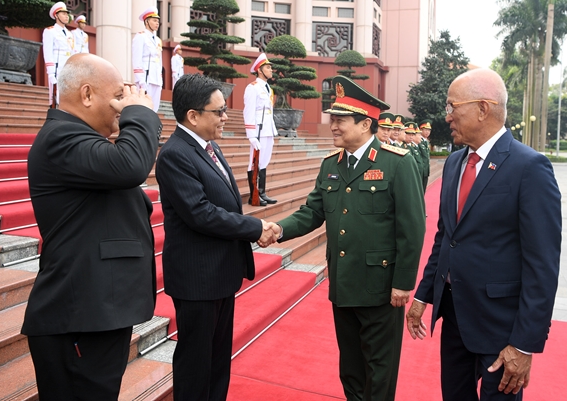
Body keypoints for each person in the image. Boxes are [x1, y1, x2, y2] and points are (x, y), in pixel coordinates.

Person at [406, 68, 561, 401]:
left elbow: (542, 265)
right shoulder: (454, 163)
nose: (447, 116)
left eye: (453, 106)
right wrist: (423, 295)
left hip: (501, 329)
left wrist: (524, 344)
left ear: (482, 108)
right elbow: (446, 237)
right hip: (455, 318)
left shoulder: (529, 167)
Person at [272, 75, 426, 401]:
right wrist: (278, 229)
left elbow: (411, 228)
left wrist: (403, 283)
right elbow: (312, 212)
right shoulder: (331, 164)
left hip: (381, 289)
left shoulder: (397, 163)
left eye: (340, 120)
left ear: (365, 124)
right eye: (332, 119)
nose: (333, 126)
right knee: (351, 370)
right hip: (343, 285)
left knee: (380, 373)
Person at [21, 53, 161, 401]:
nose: (122, 105)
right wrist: (140, 113)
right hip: (78, 315)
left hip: (96, 311)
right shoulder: (60, 137)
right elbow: (130, 166)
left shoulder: (80, 139)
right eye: (118, 96)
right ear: (86, 95)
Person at [155, 73, 278, 401]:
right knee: (196, 365)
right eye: (219, 111)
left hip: (219, 274)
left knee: (217, 361)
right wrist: (255, 228)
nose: (225, 117)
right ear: (193, 116)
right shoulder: (175, 154)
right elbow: (200, 213)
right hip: (197, 278)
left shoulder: (208, 146)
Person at [243, 53, 278, 206]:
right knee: (254, 162)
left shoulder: (268, 89)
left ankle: (262, 193)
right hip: (258, 130)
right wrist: (251, 135)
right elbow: (248, 111)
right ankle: (254, 195)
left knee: (264, 162)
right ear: (259, 70)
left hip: (268, 129)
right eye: (268, 67)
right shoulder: (253, 88)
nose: (271, 70)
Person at [43, 1, 74, 107]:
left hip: (68, 66)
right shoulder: (50, 31)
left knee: (69, 93)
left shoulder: (70, 34)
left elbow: (72, 51)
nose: (66, 16)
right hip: (57, 67)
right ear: (56, 15)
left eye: (67, 14)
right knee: (57, 96)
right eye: (63, 14)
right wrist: (51, 73)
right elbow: (47, 52)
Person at [132, 7, 162, 112]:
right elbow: (136, 60)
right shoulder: (140, 37)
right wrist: (141, 80)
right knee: (144, 108)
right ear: (146, 22)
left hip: (156, 78)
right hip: (146, 77)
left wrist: (160, 79)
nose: (157, 23)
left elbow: (159, 61)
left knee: (155, 108)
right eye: (154, 20)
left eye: (158, 21)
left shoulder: (158, 40)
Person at [418, 119, 432, 191]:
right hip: (420, 171)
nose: (427, 132)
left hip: (425, 170)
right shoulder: (418, 141)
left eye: (429, 130)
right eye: (426, 130)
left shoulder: (426, 141)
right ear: (421, 130)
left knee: (423, 190)